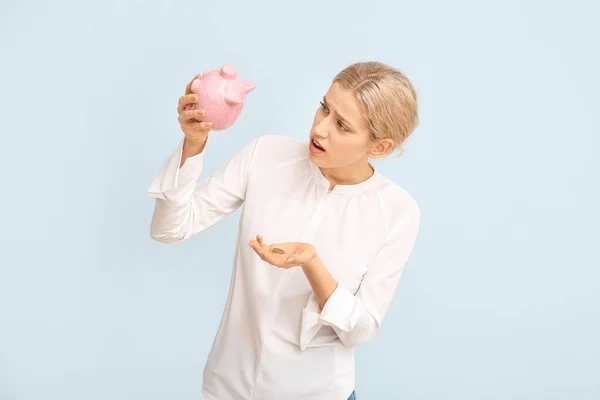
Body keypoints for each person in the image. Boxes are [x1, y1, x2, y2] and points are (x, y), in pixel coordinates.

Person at [147, 61, 421, 400]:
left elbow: (360, 329)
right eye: (324, 107)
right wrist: (193, 144)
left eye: (342, 126)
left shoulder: (397, 212)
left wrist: (312, 265)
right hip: (229, 387)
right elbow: (169, 229)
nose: (320, 129)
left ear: (379, 147)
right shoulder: (267, 155)